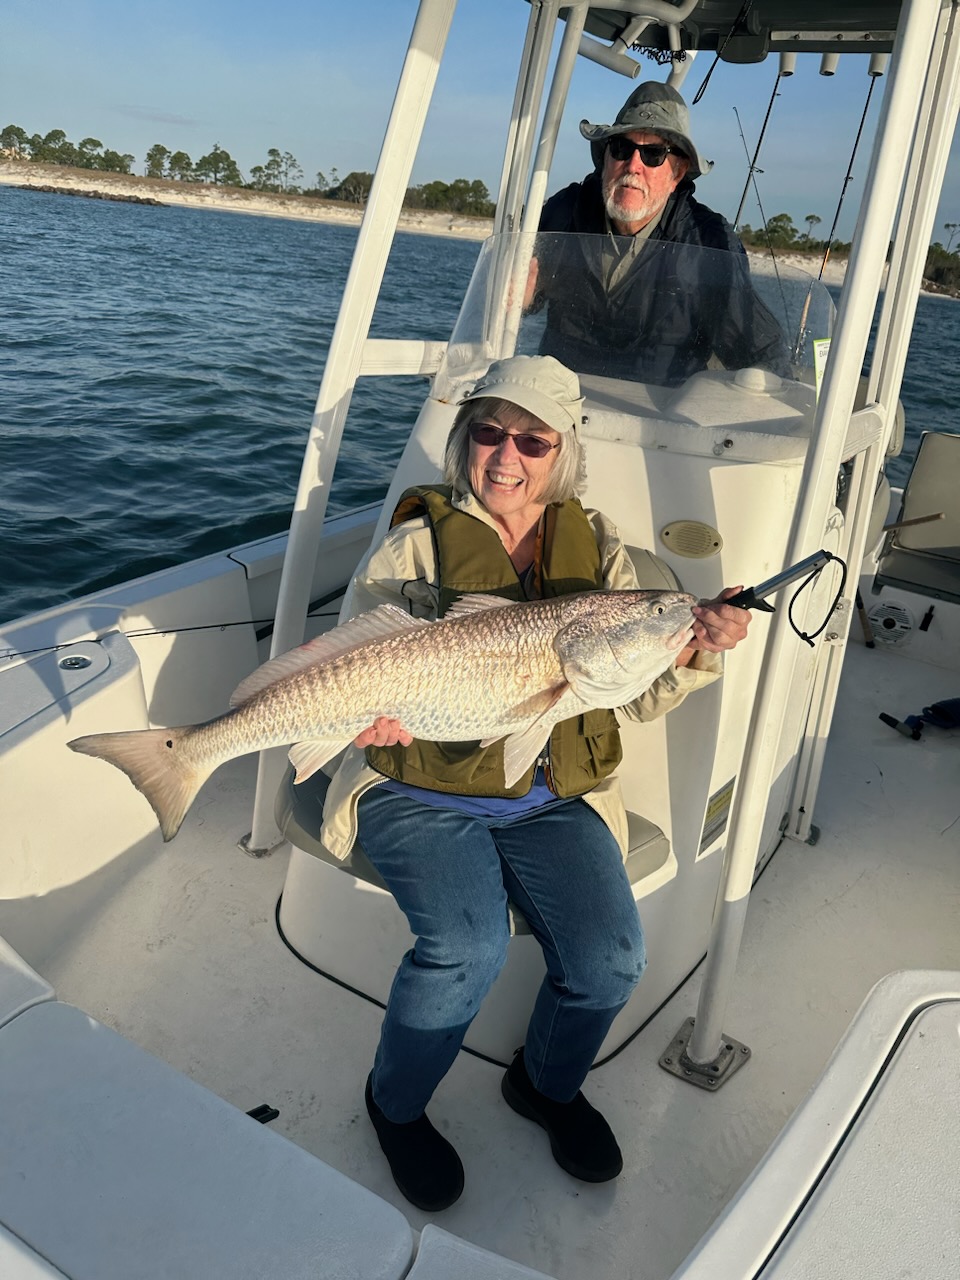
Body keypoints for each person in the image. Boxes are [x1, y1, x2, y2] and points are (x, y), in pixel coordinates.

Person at [320, 354, 750, 1212]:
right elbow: (349, 663)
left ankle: (544, 1087)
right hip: (420, 791)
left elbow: (643, 694)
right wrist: (362, 718)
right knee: (465, 949)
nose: (507, 455)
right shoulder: (414, 544)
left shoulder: (608, 559)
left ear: (563, 454)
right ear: (464, 440)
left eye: (533, 439)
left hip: (552, 793)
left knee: (611, 959)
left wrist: (697, 643)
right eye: (488, 431)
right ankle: (395, 1105)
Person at [525, 81, 790, 385]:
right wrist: (520, 298)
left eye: (653, 154)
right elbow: (520, 295)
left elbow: (761, 353)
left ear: (677, 173)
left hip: (657, 424)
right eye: (622, 148)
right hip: (557, 414)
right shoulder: (563, 212)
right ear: (606, 158)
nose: (633, 165)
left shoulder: (709, 242)